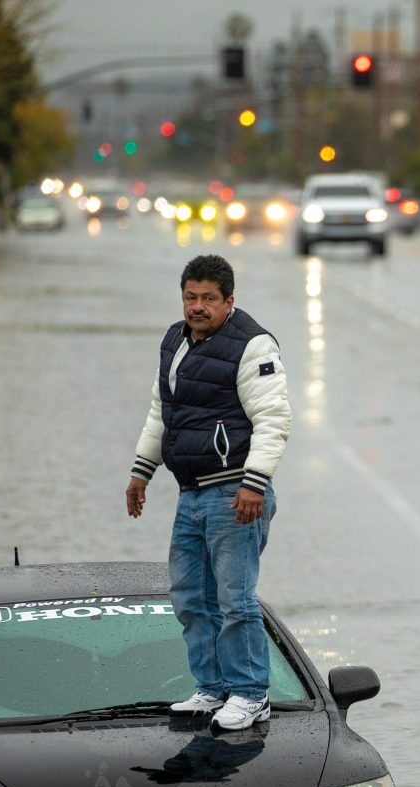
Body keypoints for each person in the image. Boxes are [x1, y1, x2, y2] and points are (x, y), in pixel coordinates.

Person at [125, 254, 291, 731]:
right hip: (191, 493)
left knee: (234, 600)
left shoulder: (253, 346)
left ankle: (250, 693)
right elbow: (163, 411)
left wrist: (254, 483)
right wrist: (142, 472)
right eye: (190, 297)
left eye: (208, 299)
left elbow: (273, 420)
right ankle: (213, 687)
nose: (198, 307)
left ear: (229, 301)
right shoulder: (174, 341)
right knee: (190, 596)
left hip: (236, 495)